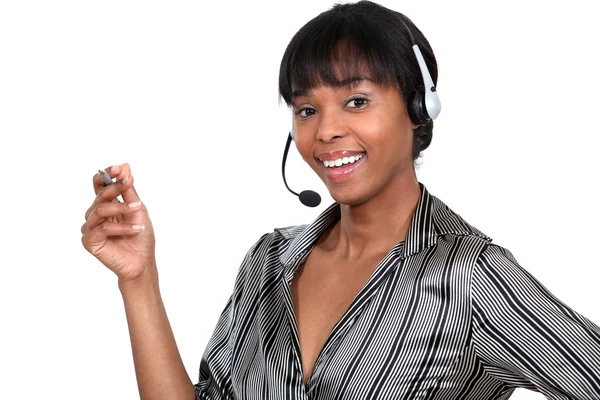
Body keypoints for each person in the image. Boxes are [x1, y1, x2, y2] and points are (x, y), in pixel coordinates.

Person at [81, 1, 600, 399]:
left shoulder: (472, 276)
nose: (326, 130)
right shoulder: (269, 263)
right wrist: (139, 281)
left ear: (418, 108)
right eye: (306, 109)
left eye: (356, 101)